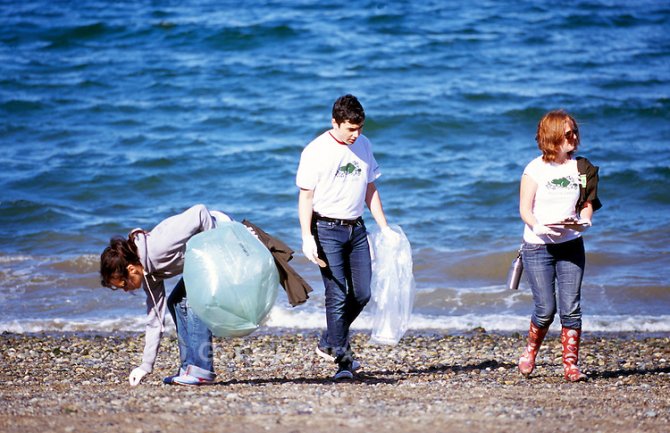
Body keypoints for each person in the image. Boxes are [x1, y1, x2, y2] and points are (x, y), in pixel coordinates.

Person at [296, 94, 394, 380]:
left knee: (362, 293)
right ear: (335, 123)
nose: (356, 134)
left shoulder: (364, 145)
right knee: (336, 294)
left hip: (357, 228)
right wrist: (306, 237)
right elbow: (305, 196)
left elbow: (370, 188)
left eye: (359, 128)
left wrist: (384, 227)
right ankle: (343, 360)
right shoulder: (315, 150)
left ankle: (329, 340)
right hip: (325, 229)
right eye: (350, 128)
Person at [100, 204, 234, 386]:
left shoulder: (158, 248)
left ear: (131, 269)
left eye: (124, 284)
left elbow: (200, 212)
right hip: (202, 260)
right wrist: (145, 366)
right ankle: (188, 368)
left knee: (194, 301)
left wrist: (214, 254)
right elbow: (155, 321)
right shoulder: (149, 275)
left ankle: (203, 370)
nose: (126, 290)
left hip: (224, 236)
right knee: (176, 301)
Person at [516, 110, 602, 382]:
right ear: (553, 137)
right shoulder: (534, 169)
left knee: (571, 308)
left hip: (571, 245)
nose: (574, 137)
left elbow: (587, 203)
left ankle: (570, 365)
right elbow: (524, 210)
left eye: (575, 131)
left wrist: (584, 221)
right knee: (545, 310)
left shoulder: (583, 168)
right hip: (537, 246)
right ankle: (530, 351)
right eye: (568, 134)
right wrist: (538, 226)